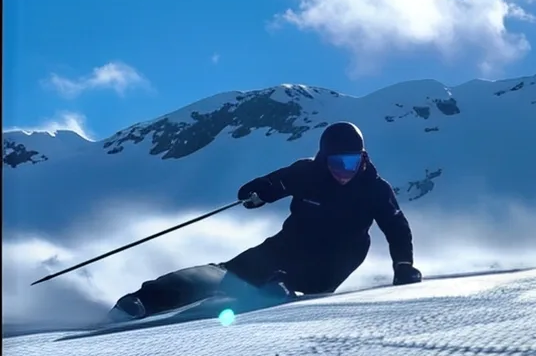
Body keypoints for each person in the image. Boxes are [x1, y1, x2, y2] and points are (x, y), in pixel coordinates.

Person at [109, 122, 422, 321]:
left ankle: (278, 288)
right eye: (337, 162)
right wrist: (255, 193)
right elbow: (271, 184)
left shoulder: (374, 188)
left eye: (352, 161)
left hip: (342, 254)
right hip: (291, 244)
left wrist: (403, 266)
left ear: (363, 158)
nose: (345, 170)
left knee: (306, 274)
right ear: (323, 159)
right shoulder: (306, 173)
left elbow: (396, 228)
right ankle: (143, 300)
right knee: (223, 273)